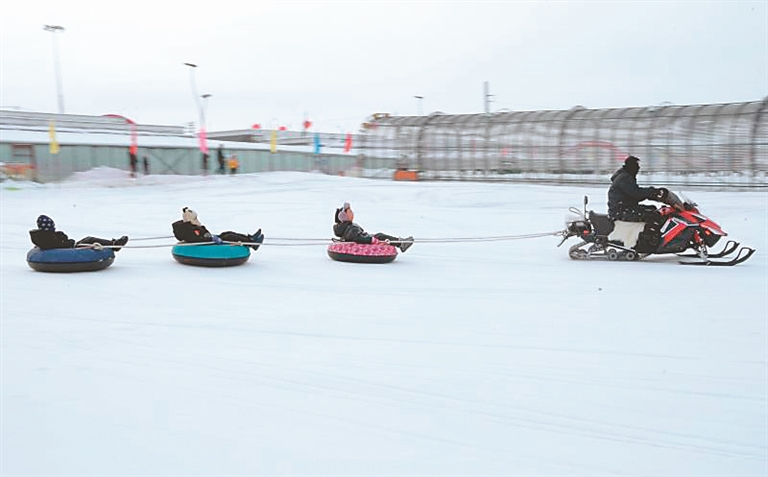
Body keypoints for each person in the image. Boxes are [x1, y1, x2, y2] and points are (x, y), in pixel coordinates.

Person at [607, 155, 669, 250]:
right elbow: (636, 193)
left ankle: (648, 237)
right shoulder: (624, 178)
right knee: (653, 215)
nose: (638, 168)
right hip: (621, 210)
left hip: (624, 207)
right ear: (631, 166)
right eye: (636, 166)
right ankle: (646, 243)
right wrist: (653, 192)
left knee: (653, 209)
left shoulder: (626, 175)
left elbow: (633, 195)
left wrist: (653, 195)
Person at [333, 202, 413, 252]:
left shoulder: (347, 226)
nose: (352, 214)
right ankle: (401, 244)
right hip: (366, 239)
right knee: (380, 236)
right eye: (350, 213)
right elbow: (358, 238)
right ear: (344, 217)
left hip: (366, 236)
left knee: (379, 235)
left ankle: (400, 242)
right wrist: (372, 240)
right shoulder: (351, 228)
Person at [172, 207, 264, 251]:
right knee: (229, 236)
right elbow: (196, 239)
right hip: (207, 243)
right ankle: (252, 244)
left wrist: (209, 235)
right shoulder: (189, 230)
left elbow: (202, 233)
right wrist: (211, 238)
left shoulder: (191, 226)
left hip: (209, 239)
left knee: (227, 233)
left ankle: (250, 238)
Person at [30, 215, 128, 251]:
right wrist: (69, 243)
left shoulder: (45, 235)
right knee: (90, 240)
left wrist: (60, 235)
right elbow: (55, 246)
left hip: (69, 249)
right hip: (69, 250)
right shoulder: (45, 238)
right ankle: (114, 245)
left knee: (88, 239)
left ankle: (113, 244)